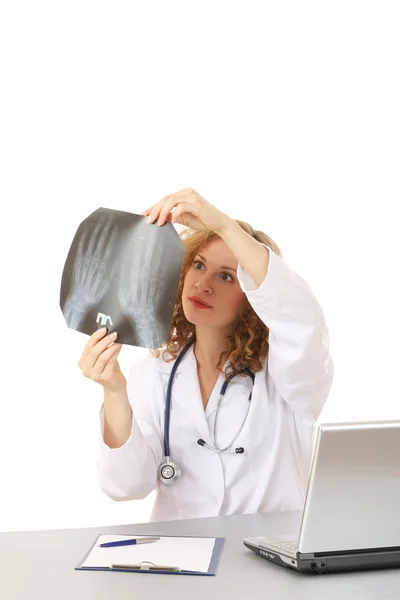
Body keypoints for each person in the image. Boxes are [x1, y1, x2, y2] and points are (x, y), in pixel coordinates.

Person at [78, 188, 334, 522]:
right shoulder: (155, 373)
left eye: (226, 276)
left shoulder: (291, 373)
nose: (203, 284)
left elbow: (302, 317)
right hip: (180, 560)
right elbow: (125, 486)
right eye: (198, 265)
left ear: (256, 297)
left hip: (266, 563)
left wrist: (225, 226)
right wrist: (113, 390)